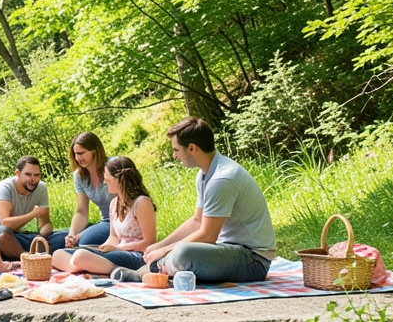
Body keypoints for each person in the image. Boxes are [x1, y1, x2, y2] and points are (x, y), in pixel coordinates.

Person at [114, 118, 276, 284]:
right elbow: (197, 221)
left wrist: (164, 251)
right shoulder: (205, 174)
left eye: (176, 150)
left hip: (253, 261)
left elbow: (207, 235)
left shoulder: (222, 178)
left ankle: (151, 271)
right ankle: (162, 268)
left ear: (192, 148)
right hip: (228, 250)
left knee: (183, 252)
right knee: (179, 249)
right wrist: (160, 245)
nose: (174, 155)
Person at [53, 156, 156, 276]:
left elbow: (149, 242)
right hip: (116, 251)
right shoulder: (114, 204)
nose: (104, 181)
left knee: (79, 256)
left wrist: (118, 249)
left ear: (119, 179)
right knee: (58, 254)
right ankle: (92, 268)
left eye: (107, 177)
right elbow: (113, 237)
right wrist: (100, 250)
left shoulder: (142, 203)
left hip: (136, 255)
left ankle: (100, 269)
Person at [0, 156, 68, 259]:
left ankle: (26, 254)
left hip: (16, 236)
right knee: (5, 234)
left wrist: (40, 237)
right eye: (28, 174)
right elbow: (6, 223)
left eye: (36, 175)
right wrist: (33, 214)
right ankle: (29, 259)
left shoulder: (41, 187)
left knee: (64, 237)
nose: (33, 179)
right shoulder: (3, 187)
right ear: (18, 174)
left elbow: (46, 223)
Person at [64, 132, 112, 249]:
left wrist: (80, 236)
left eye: (81, 153)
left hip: (120, 221)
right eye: (76, 154)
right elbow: (81, 211)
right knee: (60, 241)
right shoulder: (79, 176)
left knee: (85, 242)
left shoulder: (113, 166)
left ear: (94, 151)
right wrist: (72, 234)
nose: (78, 158)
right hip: (105, 222)